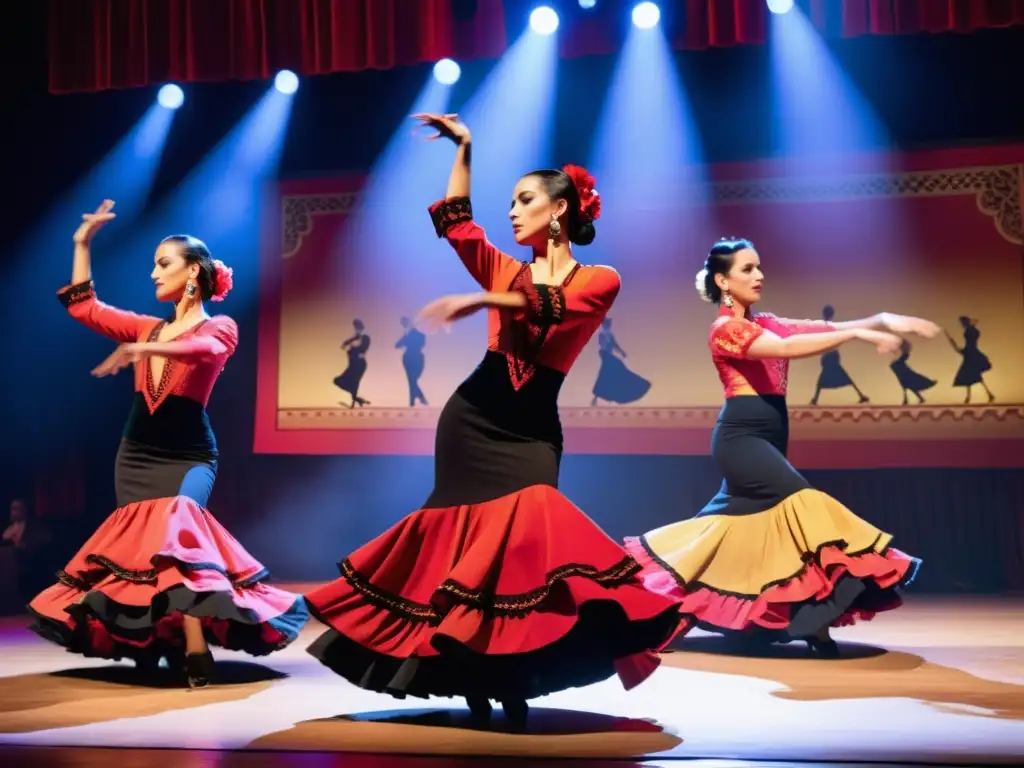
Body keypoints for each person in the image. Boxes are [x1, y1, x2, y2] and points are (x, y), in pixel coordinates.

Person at [305, 114, 681, 726]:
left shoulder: (601, 279)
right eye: (509, 202)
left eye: (525, 200)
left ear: (559, 210)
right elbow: (458, 224)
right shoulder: (505, 269)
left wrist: (486, 298)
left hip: (531, 433)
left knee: (527, 541)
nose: (512, 212)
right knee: (460, 548)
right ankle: (474, 676)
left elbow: (555, 306)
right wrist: (465, 150)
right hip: (472, 419)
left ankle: (513, 672)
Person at [29, 200, 308, 688]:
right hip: (135, 456)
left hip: (189, 456)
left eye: (163, 264)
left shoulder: (219, 326)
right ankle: (152, 641)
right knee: (143, 557)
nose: (153, 273)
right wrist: (81, 243)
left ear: (193, 272)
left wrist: (145, 347)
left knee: (179, 535)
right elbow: (83, 306)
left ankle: (197, 647)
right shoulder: (146, 327)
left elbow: (203, 349)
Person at [625, 238, 936, 657]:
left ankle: (654, 603)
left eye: (759, 267)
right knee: (807, 506)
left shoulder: (763, 321)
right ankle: (814, 621)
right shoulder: (726, 330)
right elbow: (788, 348)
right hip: (742, 440)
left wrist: (879, 319)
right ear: (723, 280)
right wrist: (863, 335)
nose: (759, 275)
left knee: (719, 532)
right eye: (748, 269)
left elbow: (821, 329)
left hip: (768, 437)